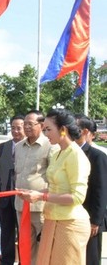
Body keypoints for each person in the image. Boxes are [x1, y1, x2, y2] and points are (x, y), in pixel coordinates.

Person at [19, 109, 90, 265]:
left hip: (69, 224)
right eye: (45, 130)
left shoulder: (76, 155)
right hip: (53, 220)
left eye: (49, 130)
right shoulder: (59, 153)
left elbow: (77, 197)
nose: (46, 134)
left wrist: (41, 197)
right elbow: (56, 188)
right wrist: (35, 192)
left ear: (63, 130)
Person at [14, 110, 53, 265]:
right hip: (21, 206)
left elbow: (53, 177)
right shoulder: (18, 146)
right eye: (25, 124)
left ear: (42, 125)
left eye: (31, 124)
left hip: (40, 207)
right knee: (25, 245)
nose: (27, 127)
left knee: (43, 245)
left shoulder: (50, 146)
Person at [0, 115, 25, 265]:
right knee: (6, 231)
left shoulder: (28, 147)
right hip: (5, 196)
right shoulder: (3, 147)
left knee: (24, 233)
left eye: (19, 128)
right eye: (13, 128)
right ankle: (7, 260)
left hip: (23, 197)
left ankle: (24, 260)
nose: (16, 131)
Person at [75, 114, 107, 265]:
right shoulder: (66, 153)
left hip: (90, 217)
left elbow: (101, 190)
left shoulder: (97, 156)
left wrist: (96, 221)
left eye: (75, 128)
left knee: (90, 258)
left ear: (85, 131)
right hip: (71, 216)